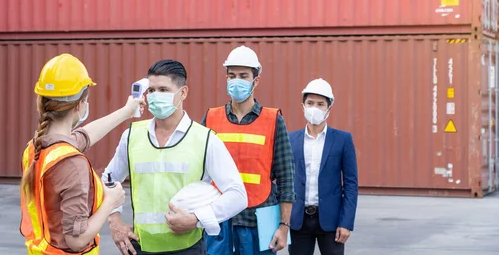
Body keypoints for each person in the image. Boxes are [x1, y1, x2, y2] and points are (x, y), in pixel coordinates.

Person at [103, 59, 247, 255]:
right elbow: (108, 180)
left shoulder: (205, 140)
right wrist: (114, 219)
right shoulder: (132, 136)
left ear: (183, 93)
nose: (155, 96)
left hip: (187, 249)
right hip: (139, 248)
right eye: (151, 90)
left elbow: (238, 195)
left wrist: (197, 219)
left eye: (163, 89)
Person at [19, 53, 145, 254]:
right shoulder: (72, 164)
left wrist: (126, 111)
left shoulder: (36, 147)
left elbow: (84, 136)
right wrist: (110, 201)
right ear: (79, 105)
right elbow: (76, 240)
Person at [203, 46, 296, 255]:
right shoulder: (210, 118)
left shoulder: (273, 121)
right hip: (219, 218)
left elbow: (287, 178)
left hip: (259, 217)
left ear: (256, 80)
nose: (237, 81)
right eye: (232, 76)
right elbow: (198, 172)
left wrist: (284, 226)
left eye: (243, 76)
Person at [288, 78, 358, 255]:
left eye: (320, 104)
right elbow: (281, 180)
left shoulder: (342, 140)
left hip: (331, 223)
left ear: (328, 109)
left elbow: (350, 184)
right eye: (310, 103)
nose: (314, 108)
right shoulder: (290, 139)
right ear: (303, 106)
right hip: (298, 221)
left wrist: (346, 222)